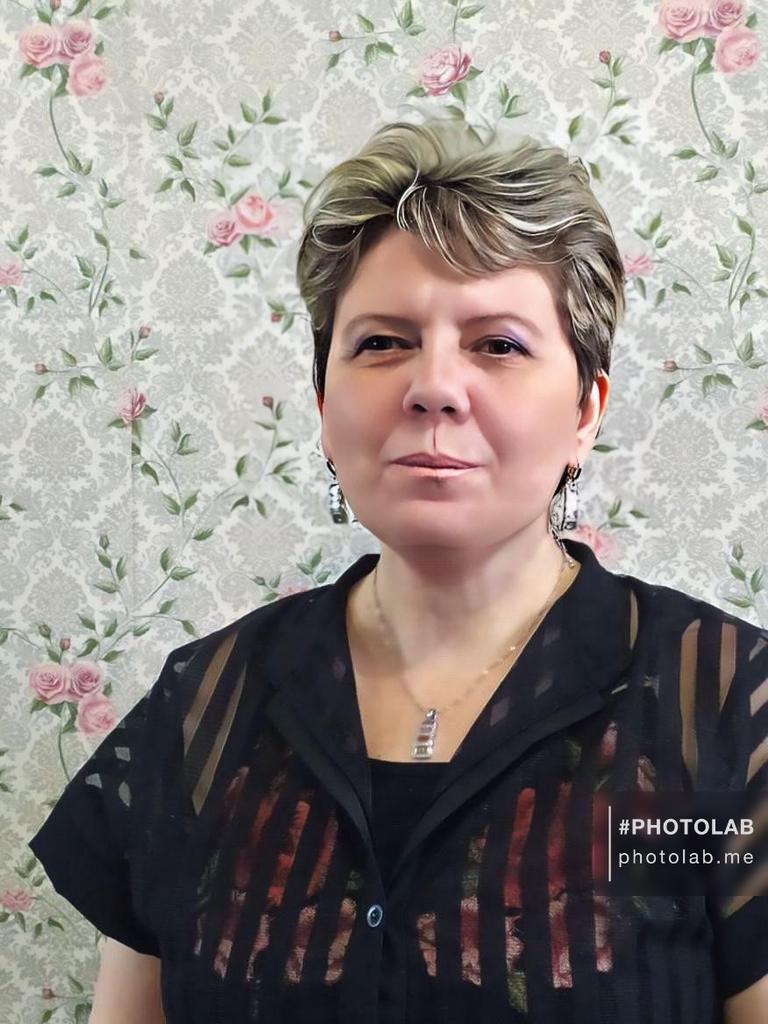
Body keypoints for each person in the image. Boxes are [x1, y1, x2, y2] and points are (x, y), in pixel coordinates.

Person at [28, 118, 768, 1024]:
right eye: (382, 343)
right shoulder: (202, 707)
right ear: (322, 404)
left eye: (498, 345)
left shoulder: (726, 707)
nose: (434, 387)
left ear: (586, 411)